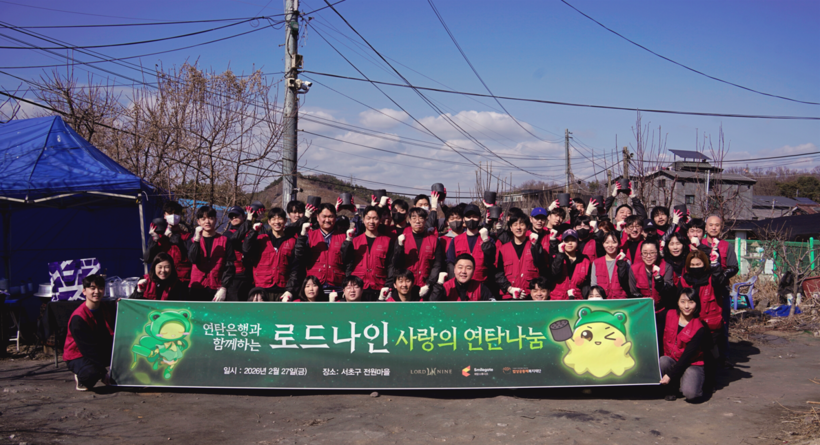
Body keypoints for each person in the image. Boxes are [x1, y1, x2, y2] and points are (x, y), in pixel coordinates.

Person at [679, 249, 725, 380]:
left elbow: (720, 282)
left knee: (710, 355)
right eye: (692, 265)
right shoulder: (684, 280)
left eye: (698, 264)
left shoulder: (712, 279)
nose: (695, 267)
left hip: (710, 324)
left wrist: (716, 266)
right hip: (690, 323)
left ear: (704, 264)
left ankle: (710, 382)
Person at [63, 274, 114, 391]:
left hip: (99, 348)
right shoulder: (78, 318)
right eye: (92, 288)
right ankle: (80, 377)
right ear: (84, 291)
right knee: (91, 374)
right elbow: (87, 349)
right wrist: (103, 373)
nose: (97, 292)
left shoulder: (105, 308)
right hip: (78, 354)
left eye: (100, 288)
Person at [660, 288, 709, 402]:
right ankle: (672, 388)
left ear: (697, 304)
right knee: (663, 361)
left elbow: (686, 357)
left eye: (691, 302)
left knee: (691, 394)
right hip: (672, 360)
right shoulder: (668, 314)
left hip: (691, 364)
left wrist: (670, 375)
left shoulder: (699, 328)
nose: (686, 306)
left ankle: (695, 380)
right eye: (683, 302)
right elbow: (649, 316)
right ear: (677, 302)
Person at [243, 208, 300, 302]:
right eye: (273, 219)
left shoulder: (292, 241)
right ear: (269, 222)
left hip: (283, 291)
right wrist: (253, 232)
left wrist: (290, 290)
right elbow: (246, 250)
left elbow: (295, 268)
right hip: (262, 290)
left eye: (280, 219)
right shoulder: (260, 239)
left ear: (285, 220)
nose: (277, 222)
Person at [342, 205, 396, 301]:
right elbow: (347, 262)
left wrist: (388, 285)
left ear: (380, 220)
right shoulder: (355, 241)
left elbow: (391, 266)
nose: (371, 221)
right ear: (363, 220)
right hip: (358, 288)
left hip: (379, 288)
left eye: (375, 218)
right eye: (368, 218)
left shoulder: (387, 241)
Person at [293, 203, 349, 296]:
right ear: (318, 217)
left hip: (337, 288)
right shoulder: (309, 235)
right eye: (324, 216)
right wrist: (302, 236)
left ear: (335, 218)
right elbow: (299, 255)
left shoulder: (344, 237)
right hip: (314, 288)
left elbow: (348, 264)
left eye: (330, 216)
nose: (327, 220)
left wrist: (347, 286)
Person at [704, 215, 739, 356]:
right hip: (702, 290)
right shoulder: (698, 244)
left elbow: (733, 267)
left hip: (721, 290)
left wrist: (722, 277)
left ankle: (724, 357)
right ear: (706, 227)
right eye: (711, 225)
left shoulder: (726, 246)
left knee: (723, 323)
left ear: (721, 227)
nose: (714, 228)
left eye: (717, 225)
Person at [394, 207, 444, 299]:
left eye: (421, 218)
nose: (417, 221)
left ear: (425, 220)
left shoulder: (434, 240)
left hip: (425, 286)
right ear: (409, 220)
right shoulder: (402, 239)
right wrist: (400, 247)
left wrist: (429, 284)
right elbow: (396, 264)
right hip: (406, 287)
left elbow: (437, 265)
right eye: (414, 218)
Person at [187, 206, 235, 302]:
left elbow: (229, 266)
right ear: (198, 222)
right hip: (197, 287)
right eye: (203, 219)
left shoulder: (225, 241)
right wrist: (197, 241)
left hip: (217, 288)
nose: (207, 222)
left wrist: (224, 287)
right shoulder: (192, 241)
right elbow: (193, 259)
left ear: (216, 220)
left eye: (210, 218)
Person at [144, 201, 192, 291]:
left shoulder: (187, 236)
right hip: (161, 279)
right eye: (170, 213)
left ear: (180, 215)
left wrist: (172, 237)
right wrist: (155, 240)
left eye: (176, 213)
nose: (173, 216)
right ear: (164, 215)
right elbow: (147, 259)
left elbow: (192, 257)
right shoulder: (158, 236)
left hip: (182, 280)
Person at [495, 214, 546, 299]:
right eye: (515, 225)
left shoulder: (534, 245)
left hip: (531, 297)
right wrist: (509, 289)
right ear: (511, 228)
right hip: (510, 297)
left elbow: (542, 268)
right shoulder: (503, 249)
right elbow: (499, 274)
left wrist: (536, 246)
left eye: (522, 224)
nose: (518, 228)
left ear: (527, 227)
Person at [446, 204, 497, 284]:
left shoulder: (489, 240)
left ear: (480, 219)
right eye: (468, 217)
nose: (471, 219)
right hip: (461, 284)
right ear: (464, 219)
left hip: (482, 284)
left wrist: (486, 241)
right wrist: (455, 284)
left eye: (474, 217)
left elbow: (491, 262)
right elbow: (451, 264)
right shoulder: (455, 240)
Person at [629, 239, 675, 312]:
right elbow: (633, 292)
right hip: (643, 309)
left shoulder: (667, 267)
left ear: (658, 253)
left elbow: (668, 292)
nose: (648, 256)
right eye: (645, 253)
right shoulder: (634, 269)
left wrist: (658, 278)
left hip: (662, 309)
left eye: (652, 252)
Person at [430, 254, 495, 301]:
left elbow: (493, 307)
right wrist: (438, 285)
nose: (463, 271)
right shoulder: (446, 287)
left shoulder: (480, 287)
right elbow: (433, 306)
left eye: (468, 268)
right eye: (460, 267)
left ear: (473, 271)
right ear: (454, 269)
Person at [223, 205, 254, 302]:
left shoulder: (251, 231)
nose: (234, 218)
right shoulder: (227, 234)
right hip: (235, 275)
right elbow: (235, 238)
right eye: (231, 216)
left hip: (251, 275)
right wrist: (248, 222)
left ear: (243, 216)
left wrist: (258, 220)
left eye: (236, 215)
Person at [550, 229, 591, 300]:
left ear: (577, 241)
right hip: (557, 299)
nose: (569, 243)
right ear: (562, 242)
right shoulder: (556, 257)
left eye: (573, 240)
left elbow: (586, 284)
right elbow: (554, 274)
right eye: (566, 241)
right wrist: (560, 255)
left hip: (577, 300)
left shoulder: (585, 260)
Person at [590, 232, 631, 299]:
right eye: (607, 242)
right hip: (603, 301)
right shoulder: (596, 263)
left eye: (614, 242)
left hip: (620, 301)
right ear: (603, 244)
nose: (610, 245)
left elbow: (629, 284)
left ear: (619, 244)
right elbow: (594, 285)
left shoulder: (626, 261)